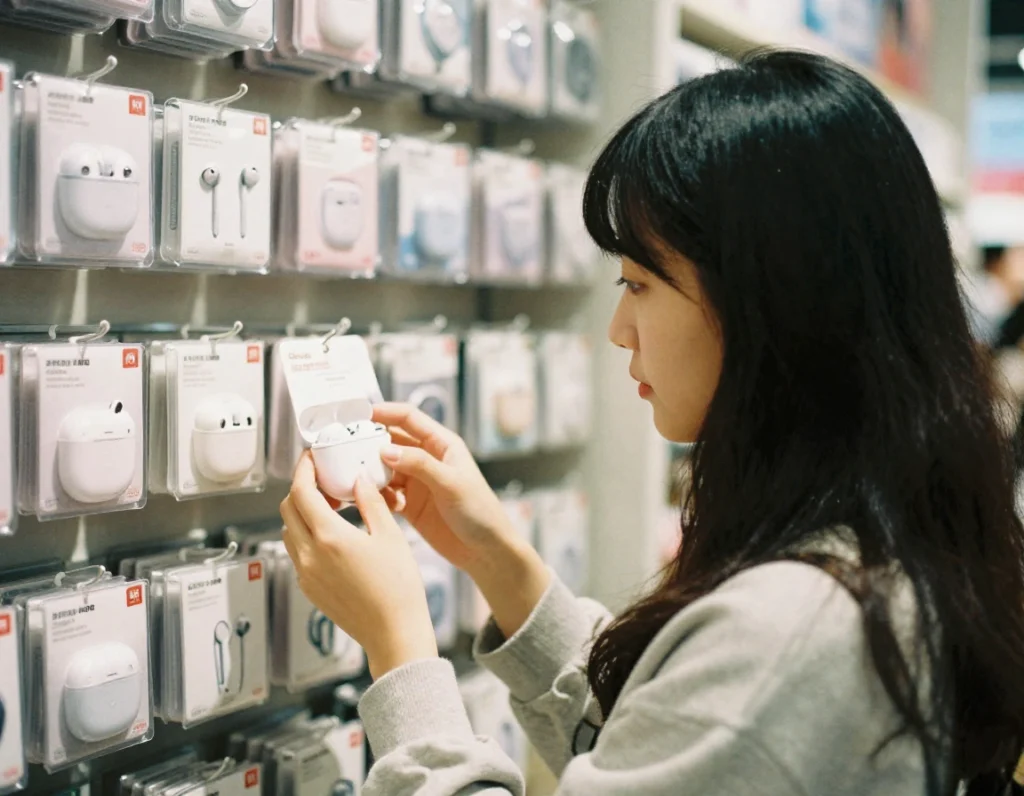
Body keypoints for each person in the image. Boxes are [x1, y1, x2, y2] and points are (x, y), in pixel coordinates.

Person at [279, 50, 1024, 796]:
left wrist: (399, 647)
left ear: (769, 303)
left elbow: (719, 724)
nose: (617, 330)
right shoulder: (894, 544)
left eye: (638, 283)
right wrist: (502, 563)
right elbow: (675, 751)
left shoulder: (795, 632)